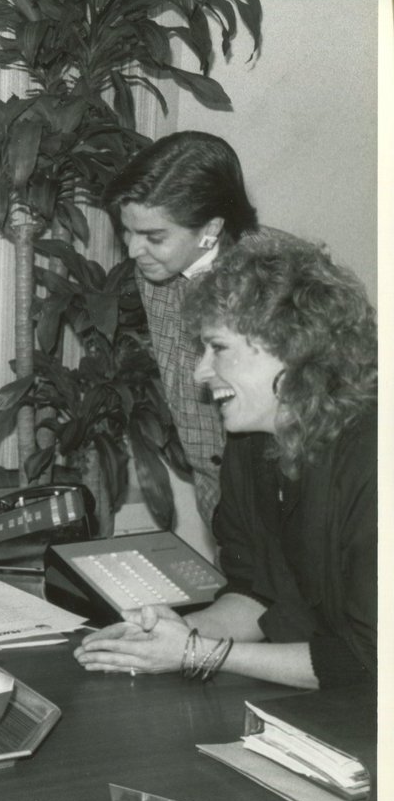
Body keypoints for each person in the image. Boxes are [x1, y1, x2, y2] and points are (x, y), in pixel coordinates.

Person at [74, 236, 376, 690]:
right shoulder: (253, 444)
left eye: (218, 348)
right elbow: (256, 593)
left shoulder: (372, 459)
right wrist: (173, 637)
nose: (200, 372)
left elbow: (370, 662)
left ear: (292, 349)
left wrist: (202, 653)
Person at [103, 130, 266, 525]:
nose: (132, 250)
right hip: (215, 495)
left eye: (153, 237)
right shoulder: (157, 271)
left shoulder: (272, 281)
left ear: (210, 229)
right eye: (127, 230)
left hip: (274, 498)